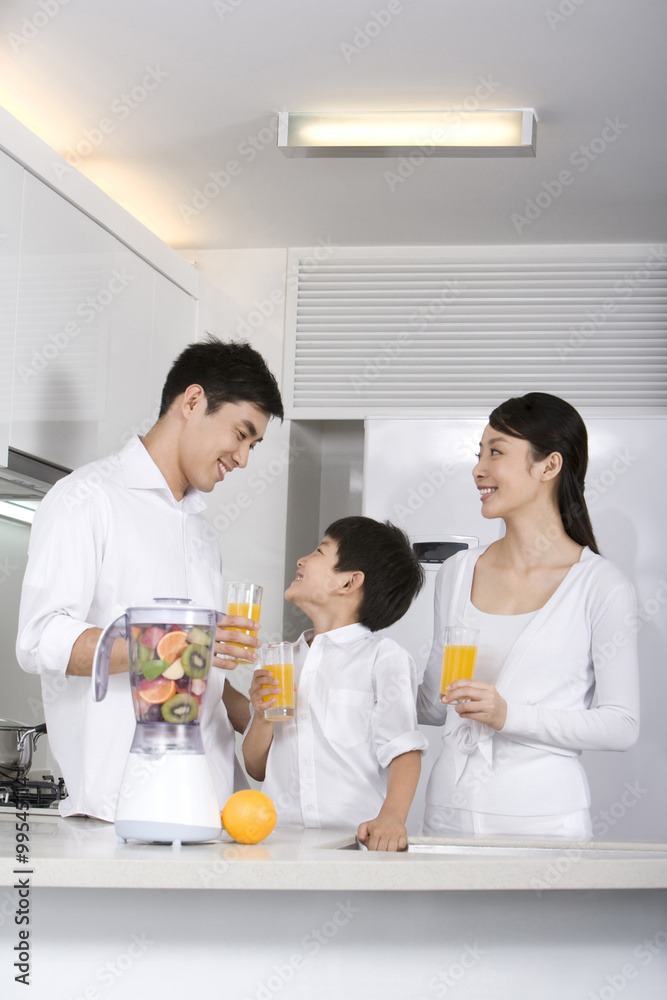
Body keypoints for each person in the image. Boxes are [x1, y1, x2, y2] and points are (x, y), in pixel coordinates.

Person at [16, 337, 284, 821]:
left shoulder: (200, 530)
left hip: (212, 810)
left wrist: (264, 712)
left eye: (253, 445)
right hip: (123, 816)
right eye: (241, 435)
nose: (243, 458)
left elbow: (199, 676)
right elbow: (40, 640)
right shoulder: (86, 498)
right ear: (194, 400)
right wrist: (181, 641)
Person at [417, 392, 640, 840]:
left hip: (544, 819)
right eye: (479, 453)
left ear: (549, 466)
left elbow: (622, 725)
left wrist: (509, 715)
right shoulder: (460, 572)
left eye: (496, 452)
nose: (478, 468)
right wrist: (346, 658)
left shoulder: (600, 584)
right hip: (447, 815)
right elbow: (434, 704)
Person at [242, 516, 428, 851]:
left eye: (318, 551)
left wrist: (391, 817)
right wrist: (261, 716)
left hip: (354, 843)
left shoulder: (383, 659)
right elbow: (256, 768)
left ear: (348, 582)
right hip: (279, 840)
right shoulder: (280, 659)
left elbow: (404, 751)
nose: (301, 560)